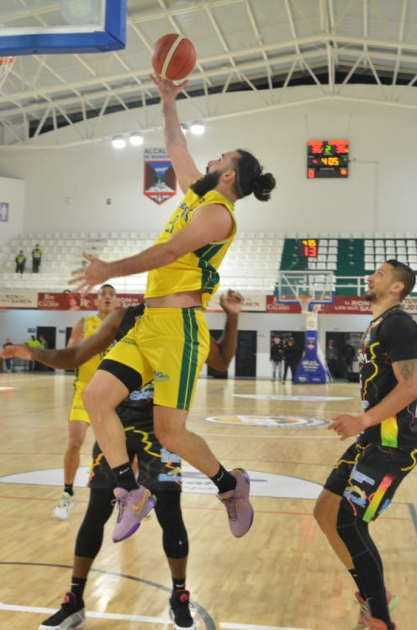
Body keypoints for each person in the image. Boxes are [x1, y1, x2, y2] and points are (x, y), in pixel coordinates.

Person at [68, 72, 275, 543]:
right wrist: (167, 99)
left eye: (221, 157)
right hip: (149, 322)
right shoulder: (199, 194)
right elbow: (175, 144)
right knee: (96, 398)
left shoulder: (217, 214)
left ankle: (230, 485)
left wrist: (109, 270)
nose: (211, 157)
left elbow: (166, 254)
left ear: (228, 175)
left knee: (170, 435)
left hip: (180, 329)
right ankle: (130, 492)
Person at [2, 290, 242, 630]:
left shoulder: (190, 322)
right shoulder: (124, 317)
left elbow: (221, 362)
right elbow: (74, 356)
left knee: (169, 511)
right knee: (97, 508)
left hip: (161, 427)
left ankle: (179, 594)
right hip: (116, 423)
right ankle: (74, 600)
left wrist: (232, 317)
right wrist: (31, 352)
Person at [314, 261, 417, 630]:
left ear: (397, 287)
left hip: (394, 445)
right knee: (325, 512)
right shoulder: (377, 324)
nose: (369, 277)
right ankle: (373, 595)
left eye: (379, 273)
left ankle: (380, 617)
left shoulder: (400, 324)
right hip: (371, 440)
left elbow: (409, 388)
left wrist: (362, 419)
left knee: (350, 521)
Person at [53, 284, 120, 520]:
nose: (108, 298)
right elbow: (70, 357)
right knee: (75, 441)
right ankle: (68, 492)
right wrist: (78, 345)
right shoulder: (85, 323)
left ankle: (130, 495)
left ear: (117, 301)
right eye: (103, 294)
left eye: (112, 295)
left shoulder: (123, 327)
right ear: (97, 301)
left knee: (125, 447)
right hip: (85, 390)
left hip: (114, 393)